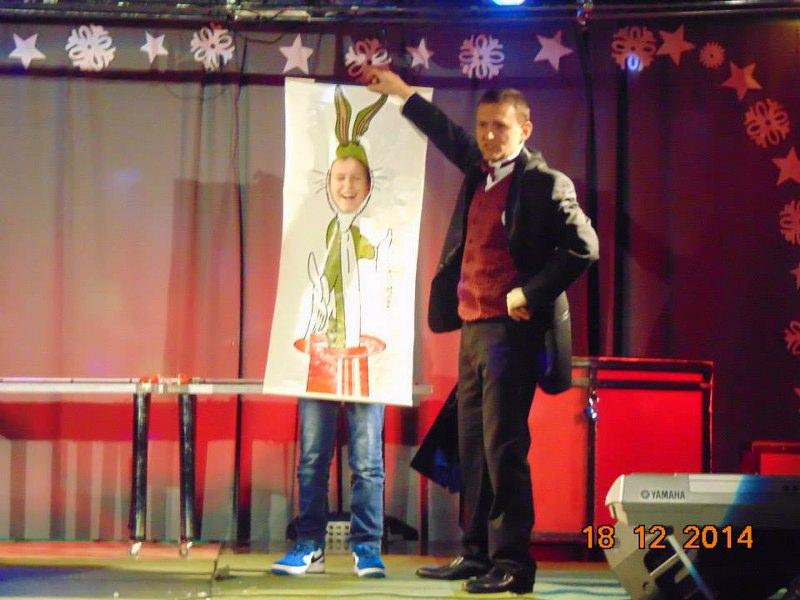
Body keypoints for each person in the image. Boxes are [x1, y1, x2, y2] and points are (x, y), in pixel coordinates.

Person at [367, 68, 599, 594]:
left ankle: (513, 562)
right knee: (471, 446)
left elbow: (585, 246)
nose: (490, 136)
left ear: (525, 129)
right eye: (484, 126)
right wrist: (402, 93)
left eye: (501, 126)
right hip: (473, 328)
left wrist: (530, 293)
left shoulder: (544, 182)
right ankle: (475, 554)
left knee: (502, 447)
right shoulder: (479, 170)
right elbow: (446, 133)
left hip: (510, 334)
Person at [271, 87, 389, 579]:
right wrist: (308, 328)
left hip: (363, 352)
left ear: (369, 183)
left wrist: (379, 330)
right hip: (322, 350)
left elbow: (382, 278)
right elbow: (314, 283)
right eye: (340, 177)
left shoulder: (379, 230)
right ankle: (309, 543)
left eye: (355, 177)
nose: (347, 185)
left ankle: (368, 545)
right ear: (328, 182)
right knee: (313, 455)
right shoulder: (317, 231)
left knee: (368, 458)